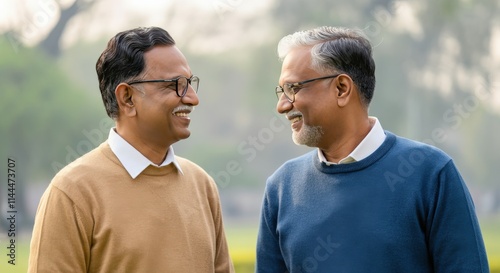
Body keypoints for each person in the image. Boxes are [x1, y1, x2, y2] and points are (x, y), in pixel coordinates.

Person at [256, 26, 489, 273]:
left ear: (342, 88)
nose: (282, 106)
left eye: (293, 88)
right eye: (282, 91)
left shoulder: (432, 174)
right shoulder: (281, 187)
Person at [28, 26, 234, 273]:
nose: (192, 98)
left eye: (190, 83)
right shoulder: (72, 192)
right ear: (127, 98)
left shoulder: (203, 186)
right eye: (175, 85)